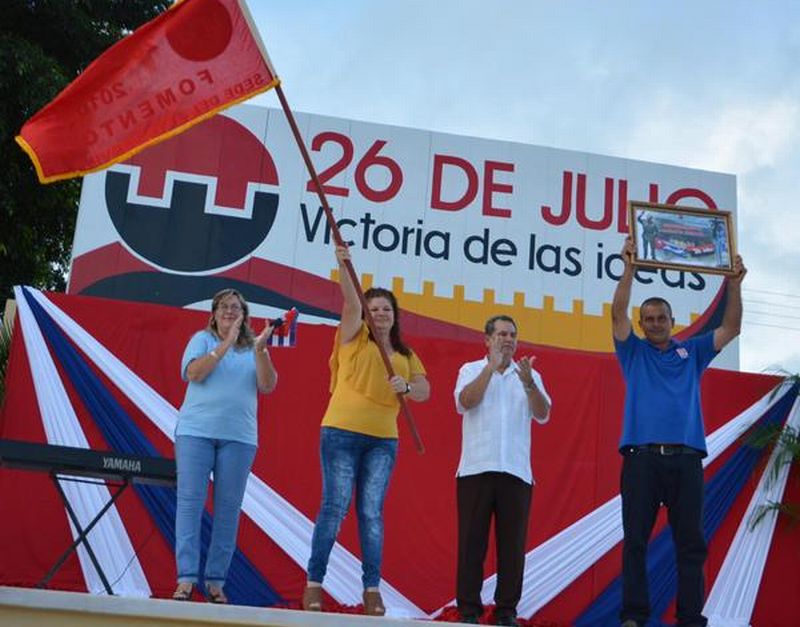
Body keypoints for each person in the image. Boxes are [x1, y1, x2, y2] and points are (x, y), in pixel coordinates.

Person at [611, 237, 746, 627]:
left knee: (690, 545)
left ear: (672, 322)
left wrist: (734, 284)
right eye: (648, 319)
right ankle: (634, 617)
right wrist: (629, 268)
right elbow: (617, 314)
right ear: (641, 324)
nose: (655, 324)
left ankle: (690, 619)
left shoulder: (693, 352)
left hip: (686, 461)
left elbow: (731, 327)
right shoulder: (632, 351)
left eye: (662, 318)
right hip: (641, 460)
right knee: (635, 541)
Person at [303, 245, 431, 616]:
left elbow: (424, 389)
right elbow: (350, 304)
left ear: (395, 316)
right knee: (334, 507)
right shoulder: (353, 337)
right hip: (341, 432)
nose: (379, 314)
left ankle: (371, 590)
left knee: (371, 513)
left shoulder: (406, 356)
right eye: (374, 309)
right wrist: (343, 265)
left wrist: (406, 388)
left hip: (383, 441)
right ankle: (314, 584)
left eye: (386, 309)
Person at [172, 289, 278, 603]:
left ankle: (216, 581)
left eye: (236, 307)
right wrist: (226, 344)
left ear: (244, 315)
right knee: (190, 504)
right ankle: (186, 579)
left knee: (228, 511)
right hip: (196, 432)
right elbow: (193, 374)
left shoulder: (254, 347)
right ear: (214, 313)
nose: (230, 311)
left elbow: (267, 385)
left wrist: (261, 351)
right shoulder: (202, 340)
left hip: (239, 437)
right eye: (224, 307)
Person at [453, 315, 552, 626]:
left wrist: (528, 382)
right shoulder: (470, 369)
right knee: (472, 544)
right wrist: (489, 369)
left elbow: (543, 413)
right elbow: (465, 402)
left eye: (512, 335)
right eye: (501, 334)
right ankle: (469, 611)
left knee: (512, 548)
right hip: (475, 469)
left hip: (516, 472)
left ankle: (506, 612)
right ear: (487, 339)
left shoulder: (529, 374)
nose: (507, 339)